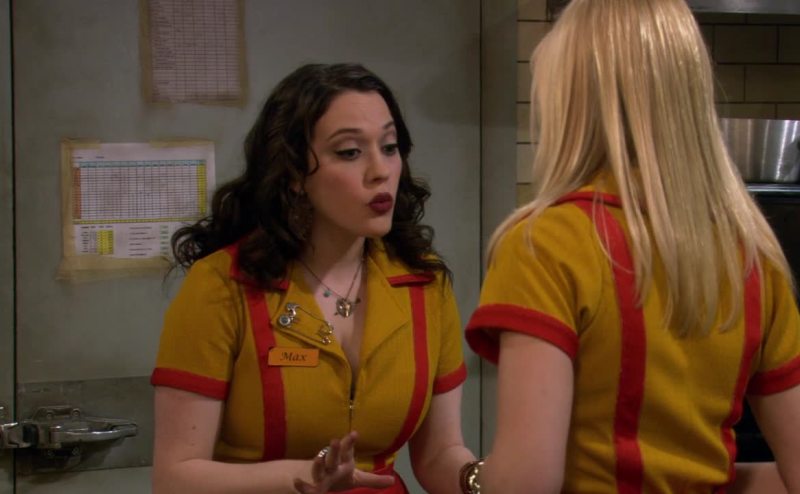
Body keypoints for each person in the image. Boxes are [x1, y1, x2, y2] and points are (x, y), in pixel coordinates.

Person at [463, 0, 800, 493]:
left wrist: (472, 477)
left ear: (571, 103)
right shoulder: (751, 255)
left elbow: (526, 482)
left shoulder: (545, 245)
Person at [150, 63, 475, 493]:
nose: (381, 170)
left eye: (390, 146)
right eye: (350, 152)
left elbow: (438, 454)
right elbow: (175, 478)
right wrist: (301, 478)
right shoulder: (223, 286)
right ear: (293, 174)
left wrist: (485, 479)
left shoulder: (424, 283)